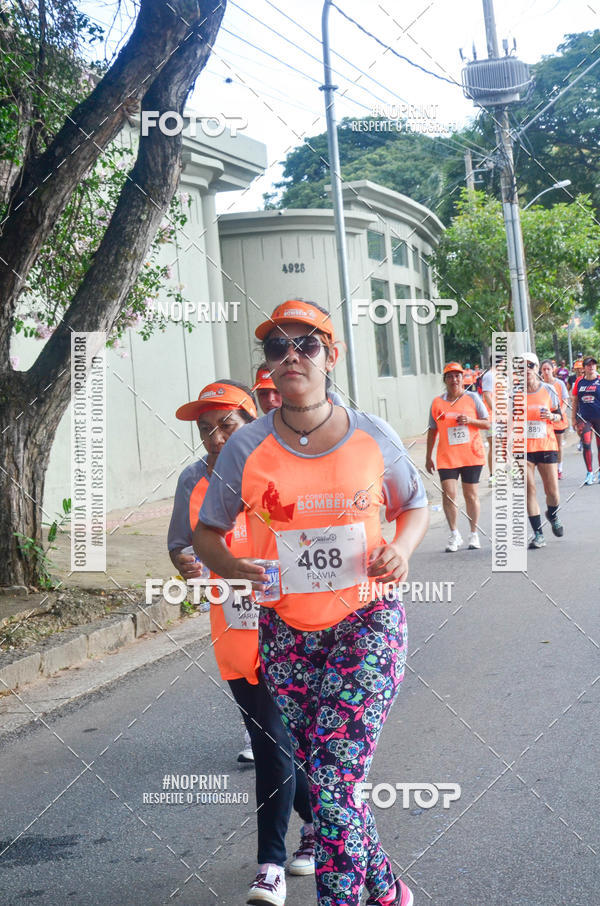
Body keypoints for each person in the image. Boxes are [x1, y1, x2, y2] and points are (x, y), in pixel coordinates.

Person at [195, 299, 429, 906]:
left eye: (308, 344)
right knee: (333, 789)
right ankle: (386, 888)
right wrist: (232, 566)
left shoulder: (371, 434)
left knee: (331, 781)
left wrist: (400, 549)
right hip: (287, 637)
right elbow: (206, 534)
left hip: (367, 624)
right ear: (267, 364)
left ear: (332, 356)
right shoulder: (246, 447)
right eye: (277, 346)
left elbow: (416, 505)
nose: (291, 356)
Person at [168, 379, 315, 905]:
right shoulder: (193, 481)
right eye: (205, 427)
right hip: (233, 631)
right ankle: (324, 821)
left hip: (290, 626)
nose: (214, 435)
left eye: (226, 423)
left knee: (274, 745)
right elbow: (180, 546)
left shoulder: (282, 464)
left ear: (250, 420)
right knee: (270, 745)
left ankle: (270, 866)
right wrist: (185, 562)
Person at [426, 362, 490, 552]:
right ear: (444, 380)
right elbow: (432, 431)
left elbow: (487, 423)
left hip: (471, 455)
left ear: (463, 379)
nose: (454, 380)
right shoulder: (437, 403)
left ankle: (473, 533)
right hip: (447, 457)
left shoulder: (472, 398)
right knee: (449, 494)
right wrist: (428, 456)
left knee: (470, 495)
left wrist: (470, 421)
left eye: (457, 376)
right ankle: (454, 534)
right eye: (450, 376)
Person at [523, 353, 564, 549]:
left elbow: (559, 416)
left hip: (546, 446)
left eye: (530, 365)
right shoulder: (513, 395)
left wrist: (551, 416)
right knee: (530, 490)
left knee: (553, 492)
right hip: (523, 449)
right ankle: (538, 534)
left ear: (537, 368)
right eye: (522, 366)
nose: (526, 369)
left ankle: (553, 514)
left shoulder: (548, 390)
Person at [572, 355, 600, 484]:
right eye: (588, 365)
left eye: (593, 364)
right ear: (584, 368)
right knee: (587, 444)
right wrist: (573, 419)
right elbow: (575, 402)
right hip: (584, 418)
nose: (591, 367)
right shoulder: (579, 382)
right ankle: (589, 473)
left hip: (598, 417)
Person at [540, 359, 569, 479]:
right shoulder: (539, 384)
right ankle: (549, 469)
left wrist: (559, 414)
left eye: (548, 369)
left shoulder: (559, 383)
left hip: (557, 419)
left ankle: (559, 469)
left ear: (553, 370)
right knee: (545, 446)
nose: (546, 371)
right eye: (544, 369)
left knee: (558, 445)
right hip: (544, 420)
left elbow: (565, 400)